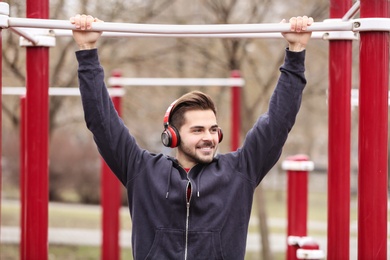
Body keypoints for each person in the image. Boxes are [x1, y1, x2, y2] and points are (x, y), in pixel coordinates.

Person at [70, 14, 313, 260]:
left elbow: (278, 123)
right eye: (197, 130)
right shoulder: (142, 170)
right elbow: (102, 123)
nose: (209, 137)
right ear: (172, 136)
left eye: (212, 129)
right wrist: (87, 50)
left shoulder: (239, 172)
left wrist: (296, 52)